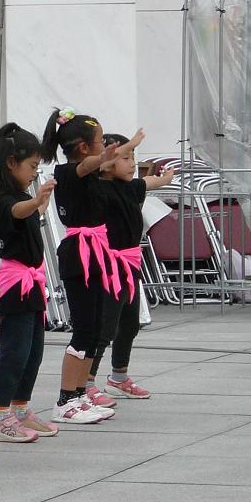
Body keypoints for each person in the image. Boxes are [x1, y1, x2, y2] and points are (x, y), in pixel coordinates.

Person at [41, 108, 137, 426]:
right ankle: (65, 399)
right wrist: (114, 152)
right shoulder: (68, 172)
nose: (104, 147)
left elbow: (100, 165)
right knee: (82, 330)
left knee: (95, 329)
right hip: (78, 255)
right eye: (99, 141)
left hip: (98, 254)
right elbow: (88, 164)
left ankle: (81, 394)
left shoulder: (94, 175)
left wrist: (121, 151)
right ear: (84, 146)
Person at [0, 123, 57, 444]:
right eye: (31, 167)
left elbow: (25, 208)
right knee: (13, 350)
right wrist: (37, 201)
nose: (33, 173)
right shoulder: (1, 197)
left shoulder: (21, 194)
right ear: (11, 163)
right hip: (16, 283)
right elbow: (16, 210)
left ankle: (21, 407)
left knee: (33, 350)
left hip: (32, 282)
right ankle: (0, 416)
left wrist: (37, 201)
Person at [92, 133, 175, 401]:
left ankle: (118, 377)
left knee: (130, 323)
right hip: (108, 266)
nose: (131, 164)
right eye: (126, 158)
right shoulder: (97, 189)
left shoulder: (131, 187)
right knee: (104, 327)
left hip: (130, 264)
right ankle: (86, 381)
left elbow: (147, 181)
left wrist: (165, 179)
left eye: (133, 159)